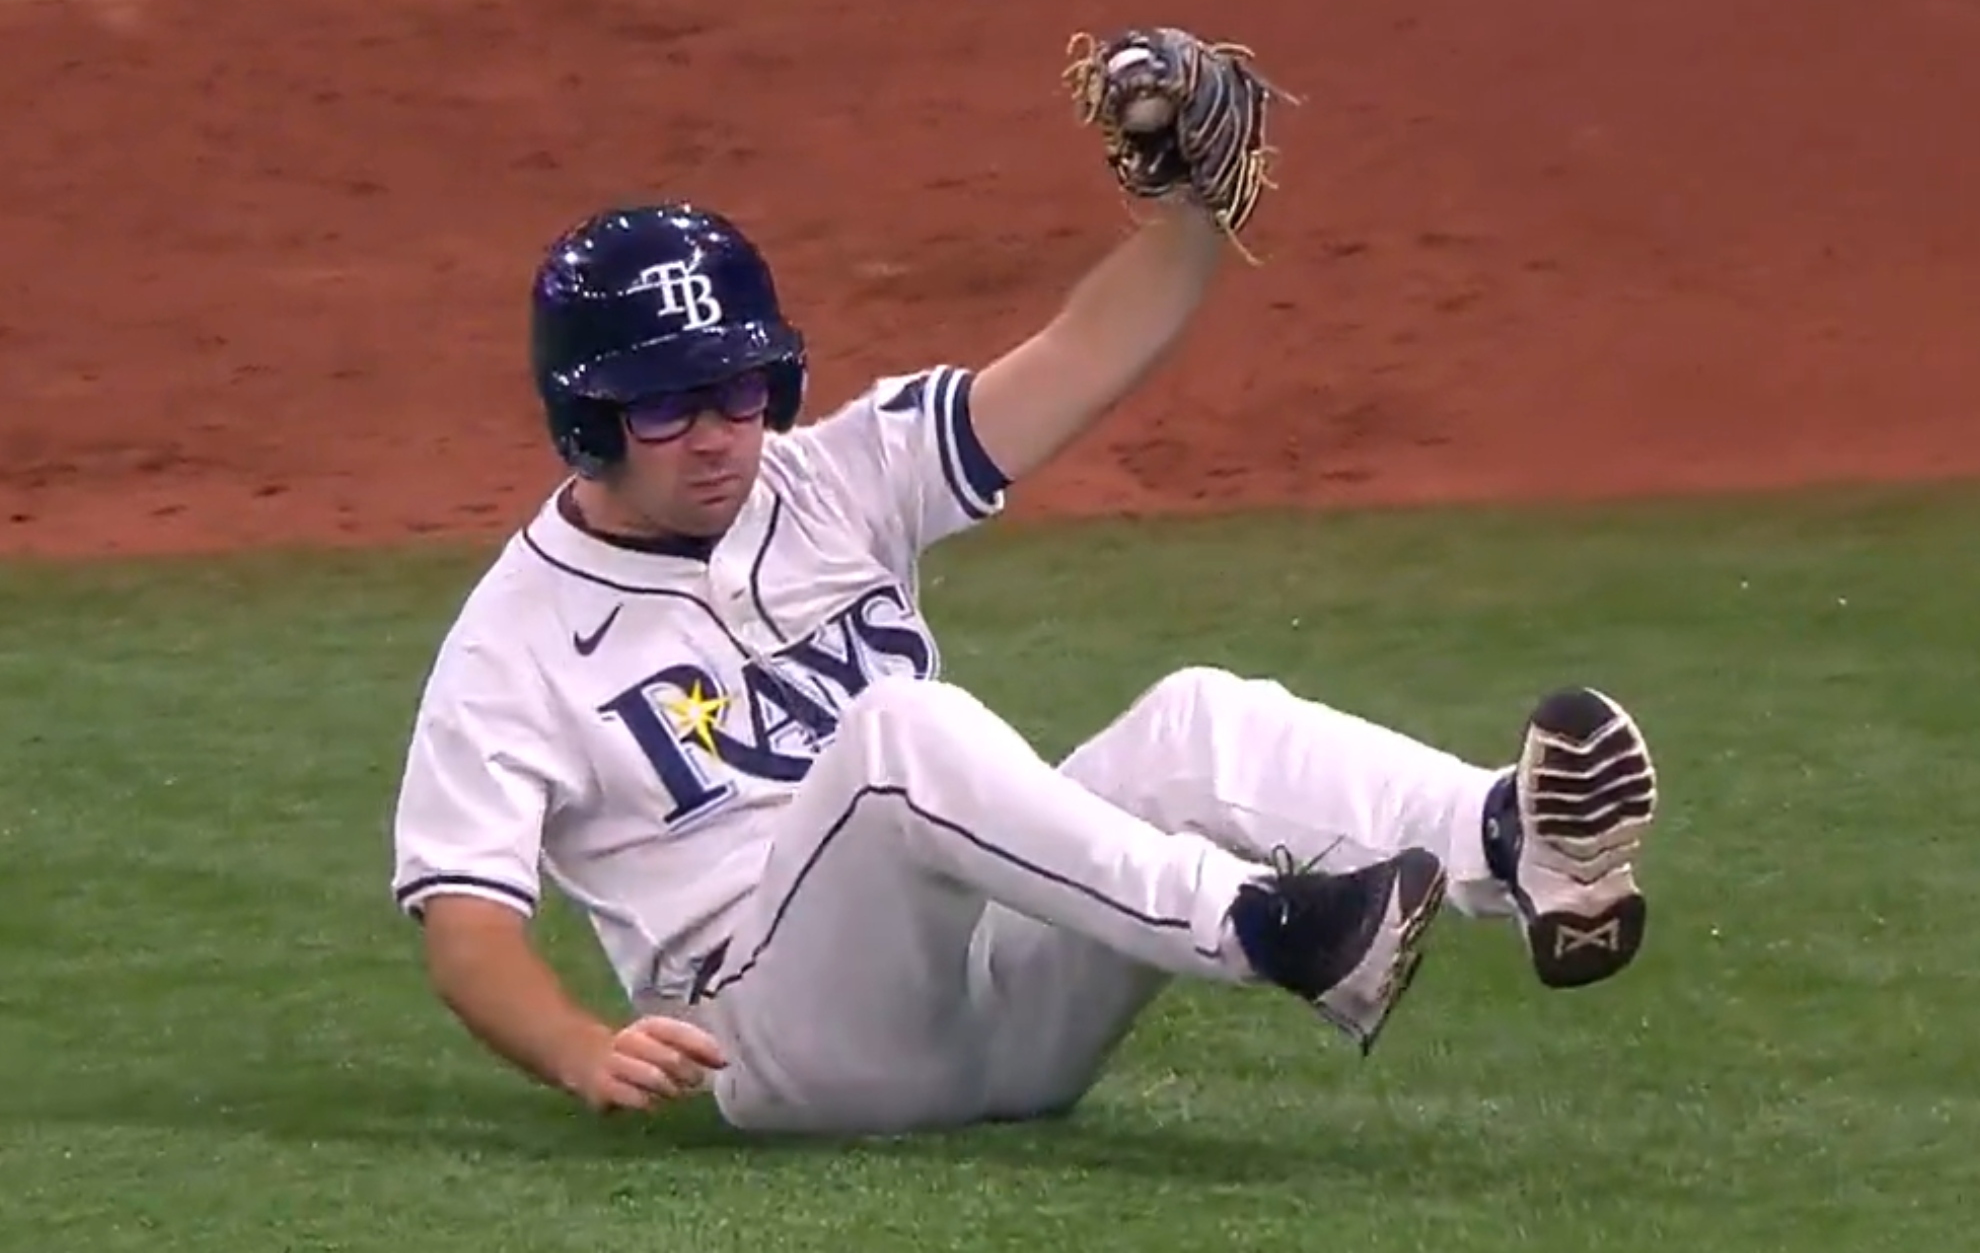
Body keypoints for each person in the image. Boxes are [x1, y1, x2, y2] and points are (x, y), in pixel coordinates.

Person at [386, 192, 1659, 1137]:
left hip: (1006, 1024)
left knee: (1190, 722)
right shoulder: (514, 642)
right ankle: (1266, 929)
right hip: (788, 1046)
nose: (718, 438)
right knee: (899, 739)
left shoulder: (830, 479)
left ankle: (1510, 845)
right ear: (583, 418)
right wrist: (575, 1050)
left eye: (739, 393)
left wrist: (1194, 210)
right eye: (667, 408)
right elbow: (466, 925)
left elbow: (1080, 357)